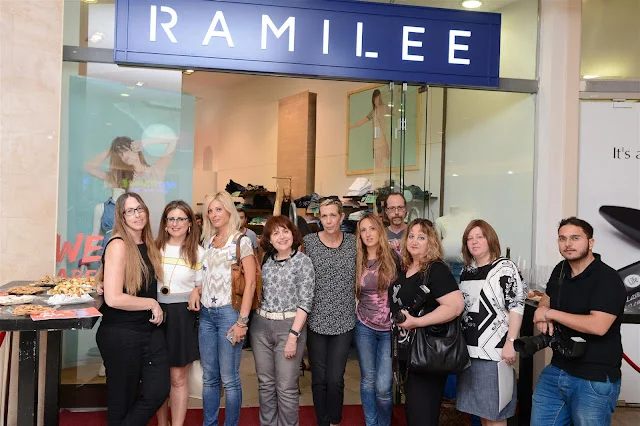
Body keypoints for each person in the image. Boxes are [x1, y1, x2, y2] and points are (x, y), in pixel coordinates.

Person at [530, 217, 626, 426]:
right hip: (557, 368)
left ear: (591, 243)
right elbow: (547, 297)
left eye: (575, 238)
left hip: (593, 376)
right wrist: (543, 310)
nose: (568, 244)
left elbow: (598, 326)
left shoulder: (607, 278)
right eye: (562, 238)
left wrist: (550, 313)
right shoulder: (560, 269)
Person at [95, 193, 170, 426]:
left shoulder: (149, 244)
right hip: (121, 334)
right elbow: (113, 298)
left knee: (158, 391)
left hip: (149, 331)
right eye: (130, 211)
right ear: (121, 216)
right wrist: (152, 304)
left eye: (140, 209)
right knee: (122, 402)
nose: (137, 215)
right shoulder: (118, 244)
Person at [388, 218, 464, 426]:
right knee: (414, 413)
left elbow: (455, 306)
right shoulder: (405, 268)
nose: (414, 241)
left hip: (427, 353)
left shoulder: (436, 269)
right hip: (408, 353)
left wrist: (418, 322)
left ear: (431, 241)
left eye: (421, 237)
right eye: (411, 236)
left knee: (423, 416)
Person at [193, 191, 256, 426]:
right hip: (207, 316)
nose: (213, 214)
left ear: (229, 210)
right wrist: (197, 290)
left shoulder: (241, 241)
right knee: (209, 377)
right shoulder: (209, 242)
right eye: (210, 211)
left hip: (230, 314)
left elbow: (250, 283)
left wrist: (242, 322)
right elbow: (209, 277)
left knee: (229, 379)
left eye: (218, 209)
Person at [455, 220, 526, 425]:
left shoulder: (505, 268)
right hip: (469, 353)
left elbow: (517, 305)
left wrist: (511, 342)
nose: (474, 242)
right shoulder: (467, 271)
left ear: (490, 239)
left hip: (494, 353)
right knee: (482, 414)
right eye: (470, 238)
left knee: (495, 415)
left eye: (480, 237)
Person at [250, 215, 315, 426]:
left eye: (285, 231)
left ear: (293, 233)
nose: (281, 236)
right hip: (260, 327)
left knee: (286, 387)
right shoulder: (266, 259)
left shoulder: (303, 262)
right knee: (265, 384)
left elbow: (306, 302)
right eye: (275, 233)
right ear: (269, 238)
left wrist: (293, 337)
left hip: (289, 327)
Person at [303, 198, 357, 426]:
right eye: (324, 216)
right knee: (319, 378)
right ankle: (322, 421)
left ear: (341, 217)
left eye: (333, 215)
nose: (328, 220)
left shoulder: (354, 243)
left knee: (335, 379)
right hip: (315, 320)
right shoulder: (309, 242)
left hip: (344, 320)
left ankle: (334, 420)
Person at [155, 201, 205, 426]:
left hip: (182, 317)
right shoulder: (153, 248)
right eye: (171, 219)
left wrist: (197, 290)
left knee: (177, 377)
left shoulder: (198, 252)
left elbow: (205, 285)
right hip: (154, 314)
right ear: (165, 223)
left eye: (181, 219)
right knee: (157, 378)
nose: (175, 223)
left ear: (190, 223)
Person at [354, 214, 397, 426]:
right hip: (364, 326)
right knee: (368, 381)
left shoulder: (395, 256)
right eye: (363, 230)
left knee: (383, 387)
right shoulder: (357, 260)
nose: (368, 234)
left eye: (372, 228)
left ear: (380, 230)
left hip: (390, 329)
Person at [84, 134, 177, 233]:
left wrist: (145, 142)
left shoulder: (156, 170)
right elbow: (89, 168)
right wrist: (111, 149)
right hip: (137, 234)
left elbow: (173, 140)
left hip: (160, 232)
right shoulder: (122, 180)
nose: (123, 156)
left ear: (135, 149)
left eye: (125, 151)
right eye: (120, 155)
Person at [350, 88, 393, 170]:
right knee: (378, 164)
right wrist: (351, 127)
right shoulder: (373, 112)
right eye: (375, 99)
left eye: (378, 99)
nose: (376, 101)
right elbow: (362, 121)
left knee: (382, 164)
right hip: (377, 141)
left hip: (383, 140)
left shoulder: (384, 108)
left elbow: (395, 112)